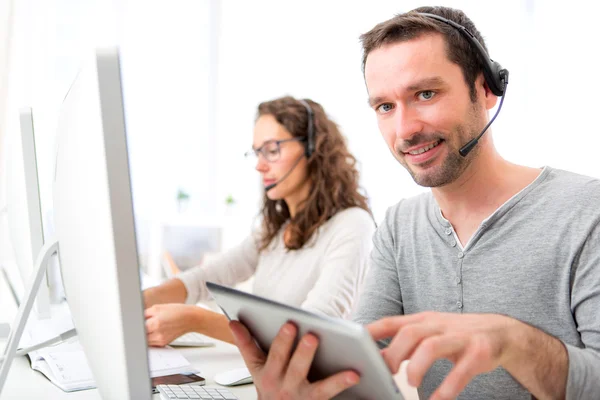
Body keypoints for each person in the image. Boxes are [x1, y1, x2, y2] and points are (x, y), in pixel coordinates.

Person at [230, 6, 600, 400]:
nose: (405, 130)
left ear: (487, 89)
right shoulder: (400, 226)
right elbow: (361, 372)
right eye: (385, 107)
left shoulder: (585, 211)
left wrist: (514, 341)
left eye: (426, 94)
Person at [143, 96, 375, 346]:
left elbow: (312, 332)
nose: (260, 166)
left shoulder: (352, 225)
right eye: (257, 153)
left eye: (272, 150)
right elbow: (210, 276)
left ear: (312, 149)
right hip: (266, 376)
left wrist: (196, 320)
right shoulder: (277, 229)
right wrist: (146, 298)